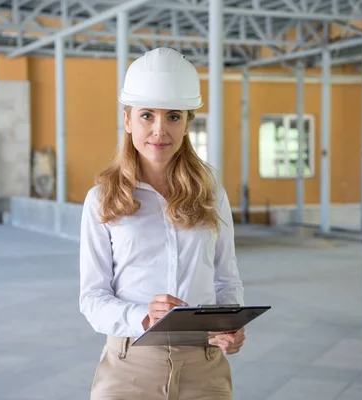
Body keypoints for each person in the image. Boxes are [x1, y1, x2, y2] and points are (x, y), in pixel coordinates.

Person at [79, 47, 245, 400]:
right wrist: (142, 316)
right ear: (127, 120)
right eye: (146, 116)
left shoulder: (211, 193)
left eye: (173, 116)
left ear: (186, 123)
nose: (159, 130)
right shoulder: (102, 199)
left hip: (204, 369)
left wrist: (229, 323)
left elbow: (225, 278)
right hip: (128, 368)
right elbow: (92, 299)